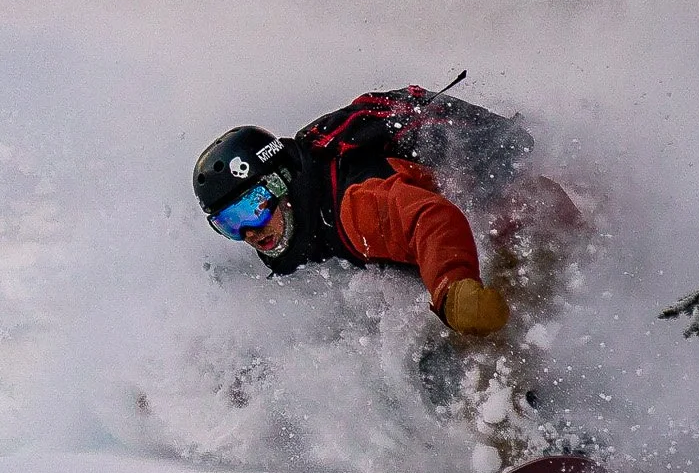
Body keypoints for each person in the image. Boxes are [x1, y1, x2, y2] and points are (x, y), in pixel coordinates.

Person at [193, 123, 511, 336]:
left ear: (280, 183)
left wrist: (451, 288)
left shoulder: (355, 207)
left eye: (252, 209)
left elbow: (431, 219)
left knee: (478, 359)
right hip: (467, 232)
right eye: (230, 224)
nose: (249, 232)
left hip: (514, 211)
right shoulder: (296, 226)